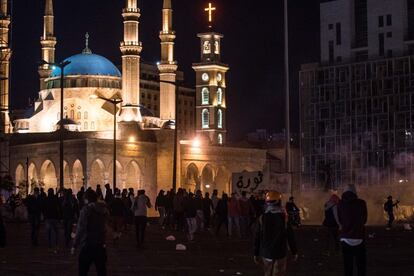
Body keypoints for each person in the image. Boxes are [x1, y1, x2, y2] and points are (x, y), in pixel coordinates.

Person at [254, 191, 298, 276]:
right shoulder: (284, 218)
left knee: (267, 273)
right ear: (279, 202)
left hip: (266, 253)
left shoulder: (262, 218)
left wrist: (256, 253)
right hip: (280, 252)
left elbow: (257, 237)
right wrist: (294, 251)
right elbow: (290, 236)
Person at [72, 189, 109, 276]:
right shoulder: (104, 210)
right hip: (100, 244)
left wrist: (75, 244)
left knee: (83, 270)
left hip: (88, 244)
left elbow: (81, 228)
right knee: (101, 271)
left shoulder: (86, 210)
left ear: (86, 199)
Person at [337, 185, 368, 276]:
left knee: (348, 267)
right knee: (361, 267)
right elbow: (365, 220)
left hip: (345, 239)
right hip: (359, 238)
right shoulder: (362, 203)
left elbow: (340, 220)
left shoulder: (340, 203)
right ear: (355, 192)